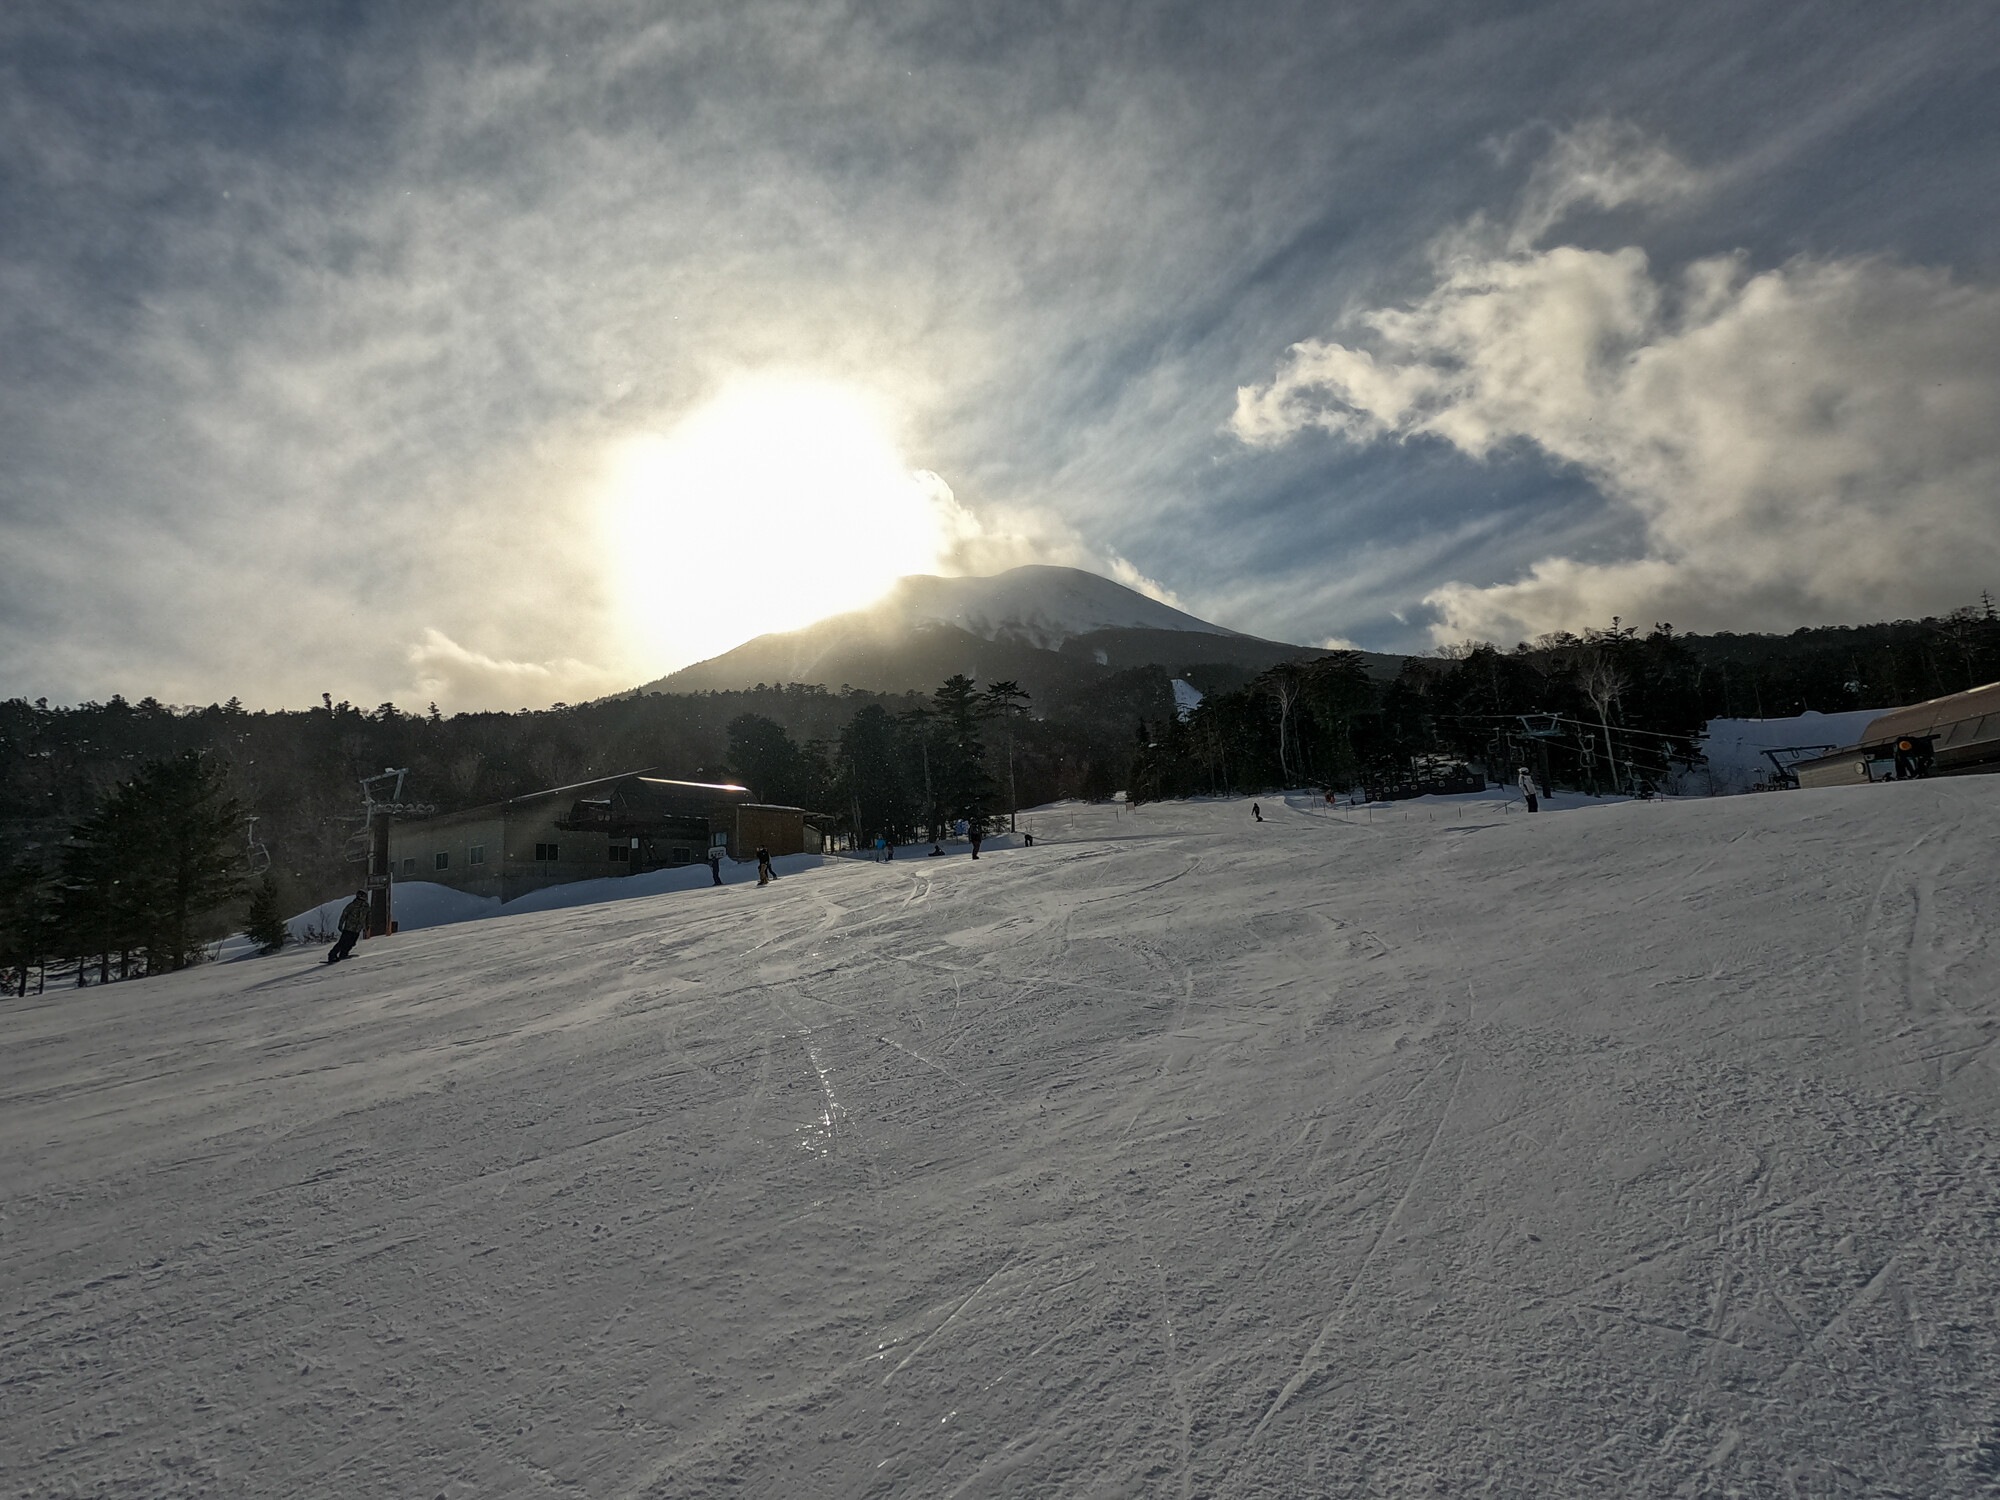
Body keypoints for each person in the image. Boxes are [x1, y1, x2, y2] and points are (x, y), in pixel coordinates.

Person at [326, 889, 369, 964]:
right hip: (349, 928)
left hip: (357, 929)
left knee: (352, 943)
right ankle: (332, 955)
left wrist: (367, 925)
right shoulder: (351, 905)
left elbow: (368, 916)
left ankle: (344, 954)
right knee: (342, 942)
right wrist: (340, 924)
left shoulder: (366, 906)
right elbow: (344, 915)